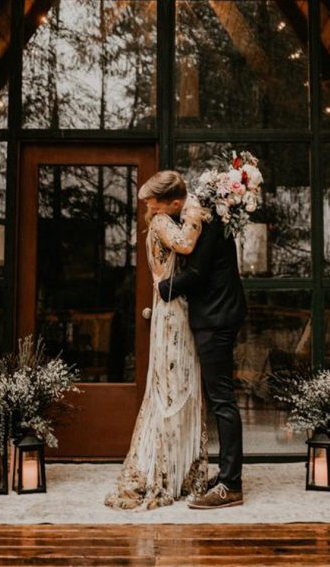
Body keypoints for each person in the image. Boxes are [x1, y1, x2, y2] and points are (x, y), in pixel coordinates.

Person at [105, 170, 210, 510]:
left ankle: (179, 470)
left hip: (175, 308)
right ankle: (163, 472)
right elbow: (186, 244)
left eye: (153, 199)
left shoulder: (162, 219)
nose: (148, 205)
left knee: (180, 386)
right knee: (172, 389)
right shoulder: (164, 222)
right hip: (171, 313)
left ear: (171, 200)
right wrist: (195, 213)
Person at [158, 198, 247, 509]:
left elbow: (196, 275)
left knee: (222, 399)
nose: (185, 217)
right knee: (220, 398)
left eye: (188, 210)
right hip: (220, 317)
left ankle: (230, 485)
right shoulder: (215, 227)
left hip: (216, 320)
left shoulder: (209, 230)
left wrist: (163, 286)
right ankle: (227, 474)